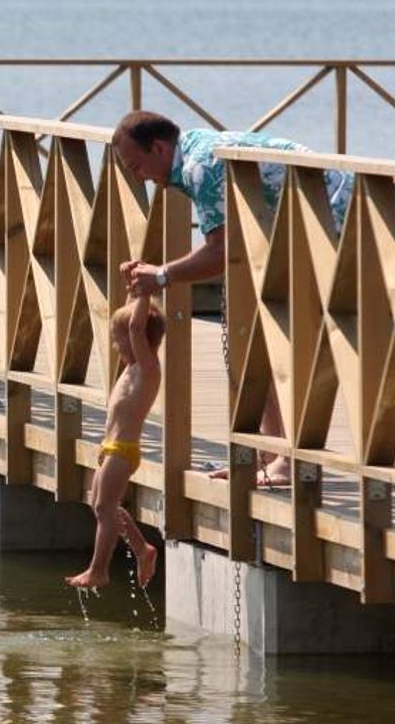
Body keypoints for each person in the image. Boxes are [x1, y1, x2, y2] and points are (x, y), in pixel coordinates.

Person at [112, 111, 353, 484]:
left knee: (279, 341)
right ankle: (276, 457)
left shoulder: (200, 167)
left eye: (136, 166)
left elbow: (221, 250)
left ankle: (285, 458)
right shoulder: (198, 148)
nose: (137, 177)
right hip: (315, 218)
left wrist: (161, 275)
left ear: (159, 147)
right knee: (262, 339)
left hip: (334, 222)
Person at [66, 291, 163, 589]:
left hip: (122, 451)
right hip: (110, 449)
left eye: (118, 338)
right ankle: (142, 548)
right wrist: (134, 289)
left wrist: (147, 290)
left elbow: (135, 327)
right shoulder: (134, 368)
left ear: (140, 339)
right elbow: (134, 322)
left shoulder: (148, 368)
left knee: (105, 509)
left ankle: (99, 570)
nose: (115, 343)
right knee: (100, 505)